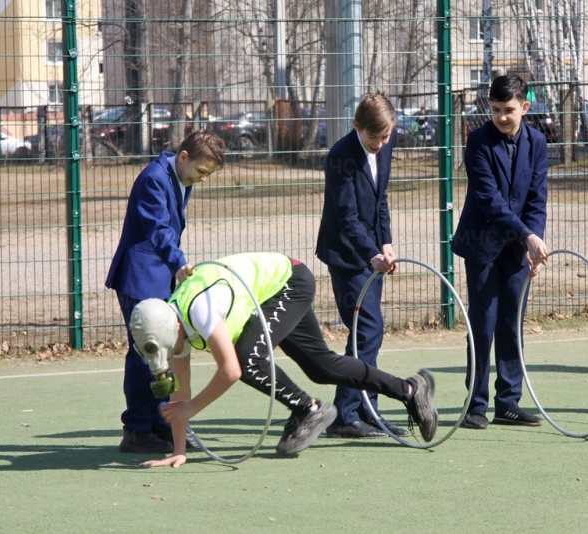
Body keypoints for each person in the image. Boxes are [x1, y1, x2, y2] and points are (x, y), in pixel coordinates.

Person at [130, 252, 438, 468]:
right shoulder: (172, 324)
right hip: (266, 293)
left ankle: (310, 410)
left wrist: (193, 407)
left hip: (289, 281)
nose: (176, 352)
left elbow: (231, 371)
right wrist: (179, 450)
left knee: (248, 360)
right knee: (322, 366)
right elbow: (179, 393)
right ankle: (411, 390)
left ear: (175, 329)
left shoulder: (199, 309)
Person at [106, 129, 226, 453]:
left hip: (157, 277)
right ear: (183, 157)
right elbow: (158, 229)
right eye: (200, 173)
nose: (201, 180)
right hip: (139, 276)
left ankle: (161, 423)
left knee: (165, 349)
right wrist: (179, 263)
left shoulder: (178, 177)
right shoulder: (154, 178)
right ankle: (136, 429)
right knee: (145, 353)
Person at [451, 73, 549, 430]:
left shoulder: (537, 142)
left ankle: (508, 402)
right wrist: (527, 236)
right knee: (483, 323)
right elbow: (489, 200)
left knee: (512, 322)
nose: (501, 117)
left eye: (508, 110)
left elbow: (537, 198)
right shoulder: (477, 141)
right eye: (494, 110)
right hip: (482, 244)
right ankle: (475, 405)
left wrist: (533, 241)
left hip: (518, 248)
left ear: (525, 107)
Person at [316, 91, 404, 439]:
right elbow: (347, 218)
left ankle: (367, 412)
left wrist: (386, 242)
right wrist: (372, 253)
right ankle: (344, 416)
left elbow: (381, 199)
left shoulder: (384, 144)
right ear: (357, 126)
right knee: (367, 330)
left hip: (372, 255)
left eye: (386, 137)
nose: (382, 144)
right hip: (347, 257)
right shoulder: (340, 156)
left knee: (368, 333)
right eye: (375, 137)